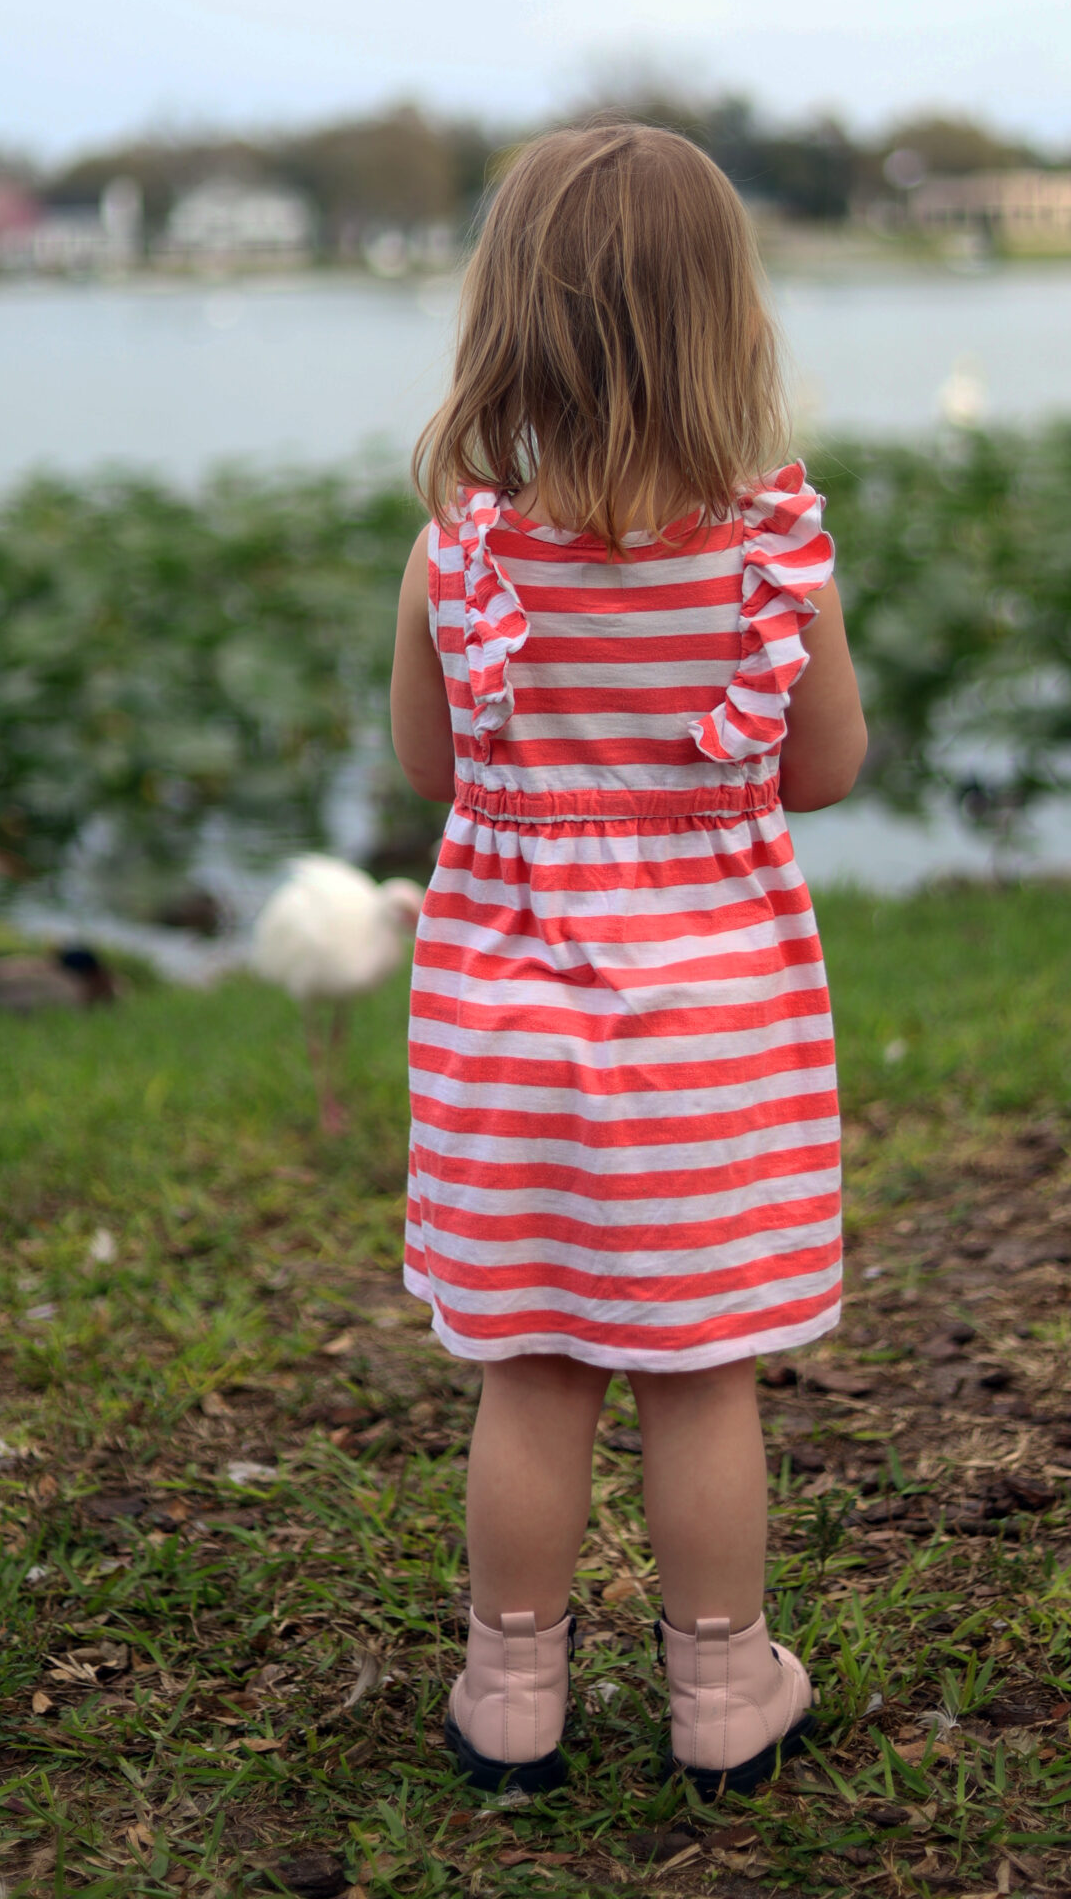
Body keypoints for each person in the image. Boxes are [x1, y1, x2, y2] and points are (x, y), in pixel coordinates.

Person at [389, 123, 867, 1797]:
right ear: (724, 320)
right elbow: (821, 769)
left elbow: (435, 770)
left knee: (529, 1372)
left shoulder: (461, 556)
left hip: (508, 1021)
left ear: (509, 320)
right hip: (711, 1036)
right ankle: (725, 1692)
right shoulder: (769, 556)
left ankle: (510, 1689)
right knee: (697, 1376)